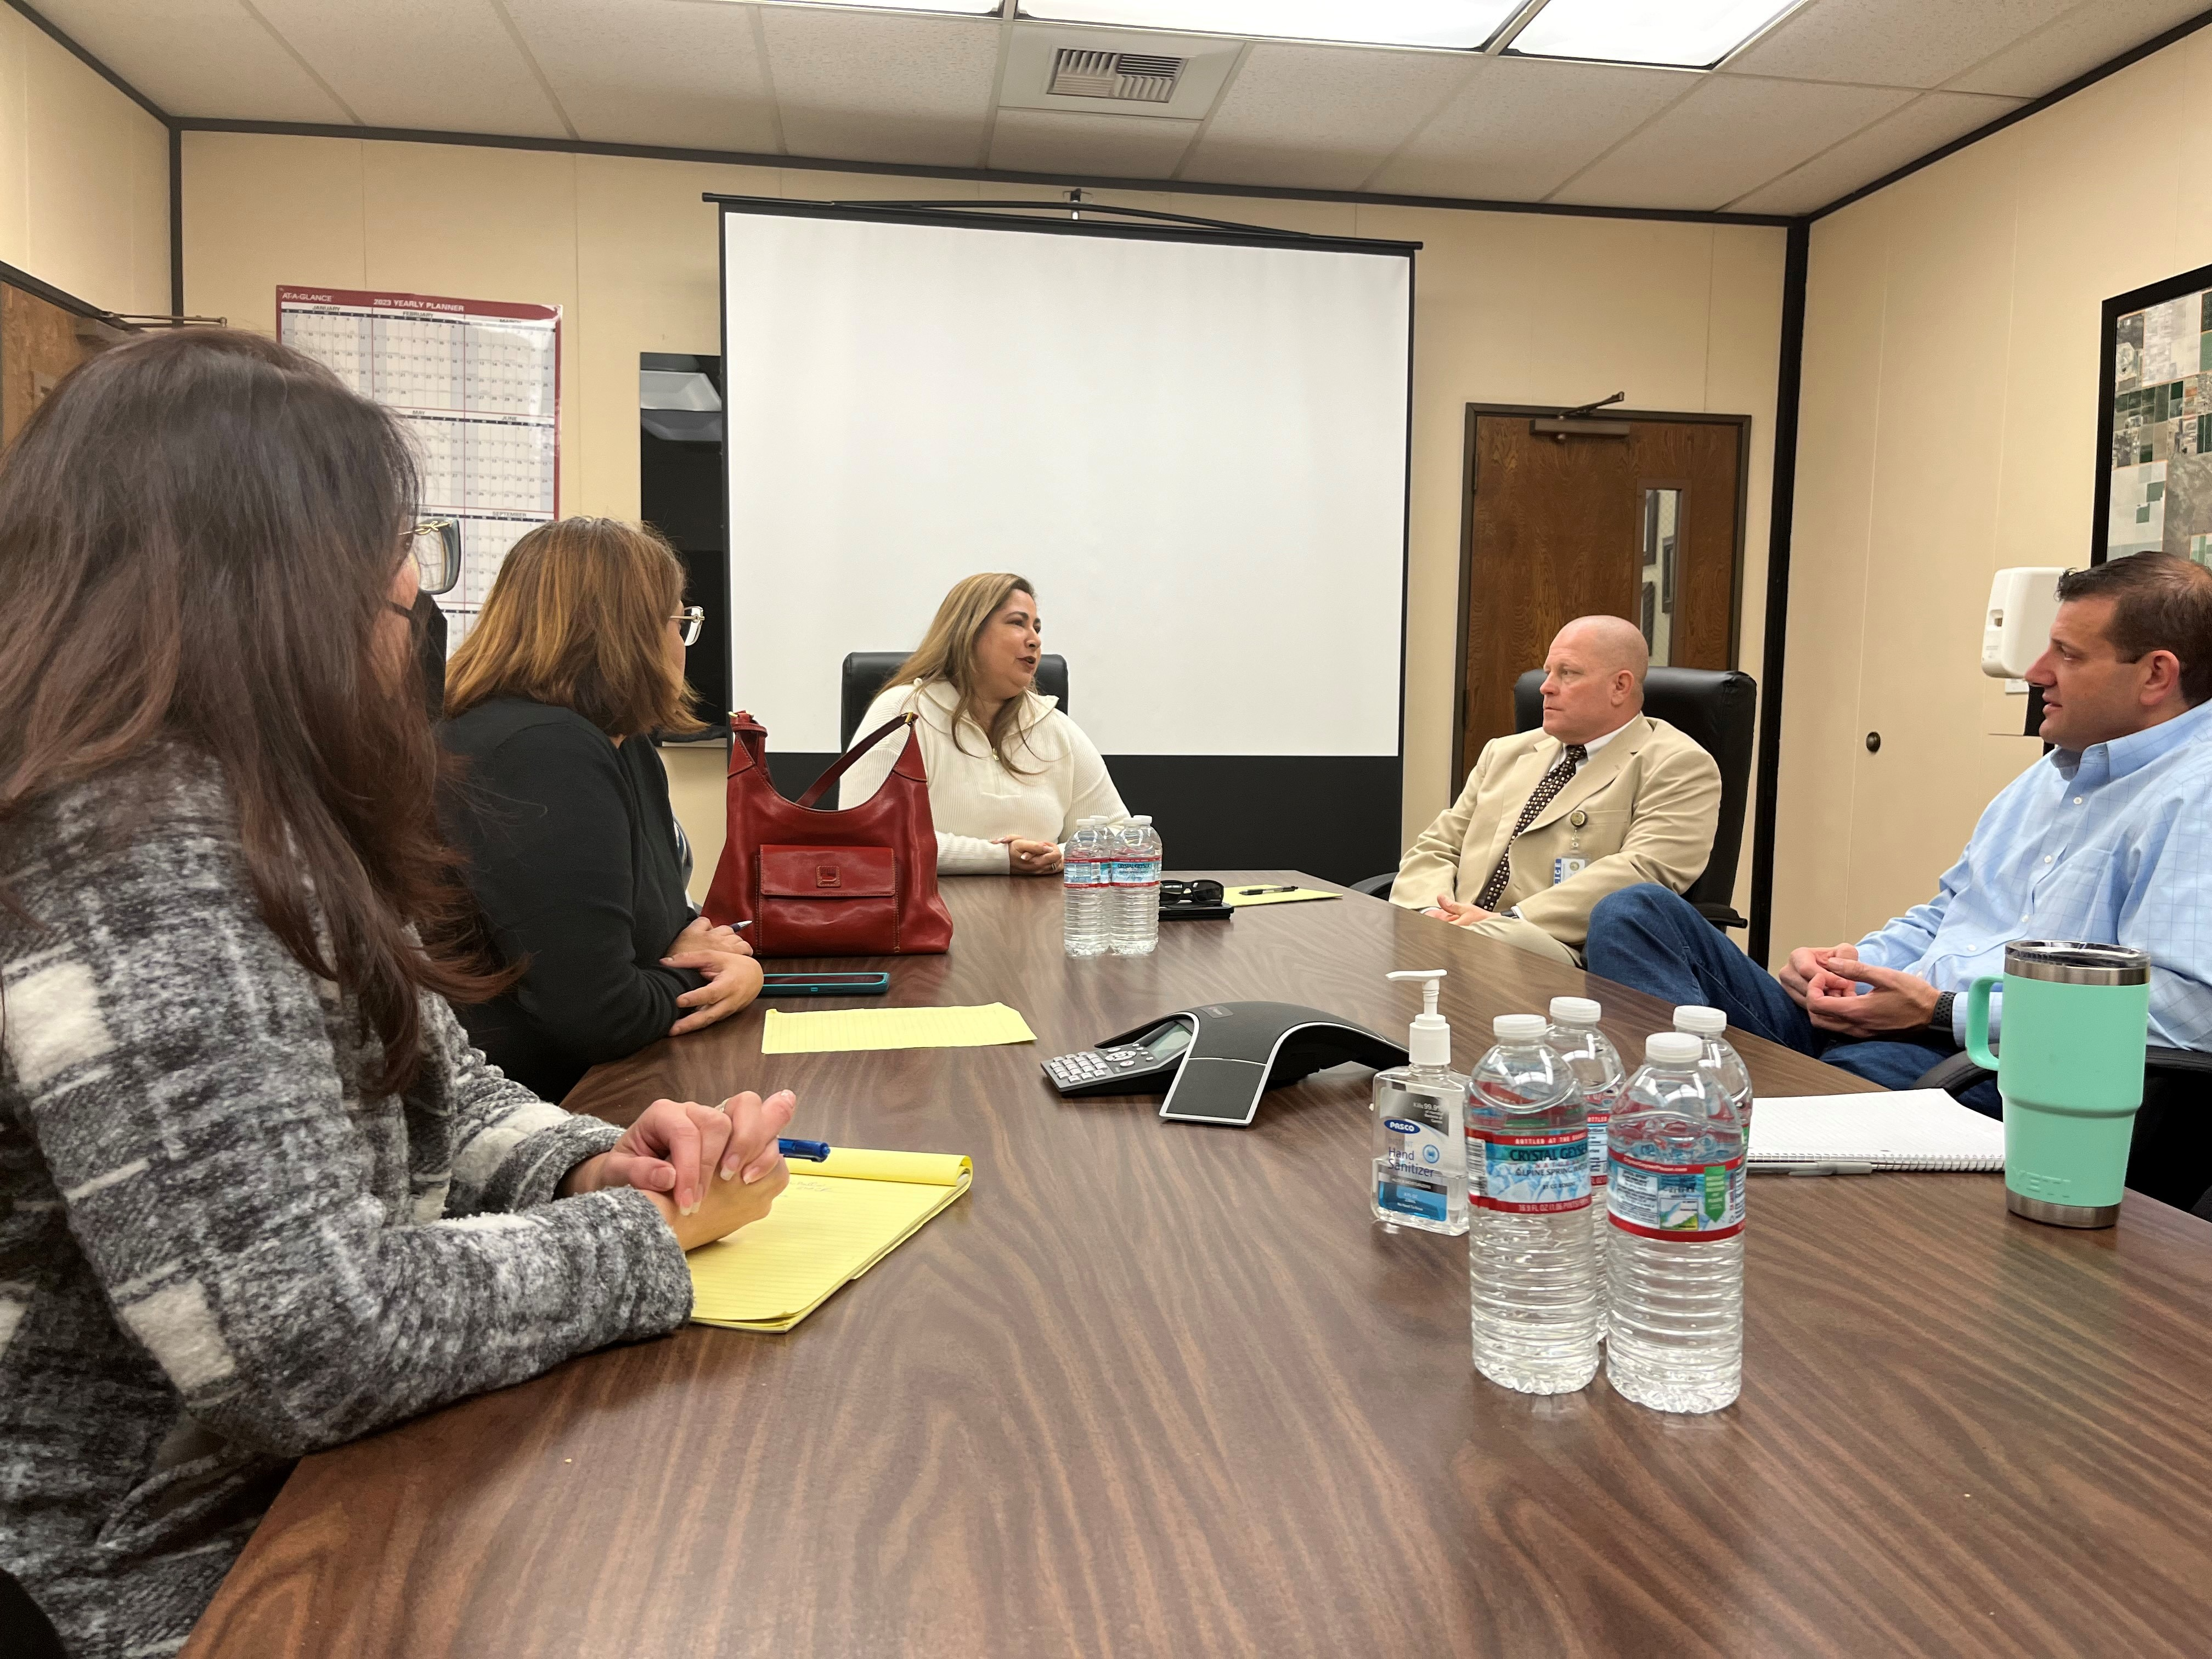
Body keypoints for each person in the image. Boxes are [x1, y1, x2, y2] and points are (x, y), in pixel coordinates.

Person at [0, 330, 793, 1659]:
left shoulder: (253, 819)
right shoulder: (132, 862)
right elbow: (313, 1341)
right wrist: (646, 1241)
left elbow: (445, 1085)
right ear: (265, 597)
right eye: (391, 578)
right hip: (154, 1579)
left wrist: (597, 1164)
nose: (411, 614)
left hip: (288, 1499)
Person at [1585, 554, 2212, 1102]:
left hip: (1985, 1062)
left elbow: (2181, 1018)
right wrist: (1855, 966)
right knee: (1634, 914)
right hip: (1897, 1022)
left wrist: (1940, 1012)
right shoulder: (2051, 774)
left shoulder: (2194, 797)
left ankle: (1725, 1119)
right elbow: (1948, 916)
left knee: (1852, 1079)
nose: (2036, 671)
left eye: (2068, 656)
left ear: (2156, 675)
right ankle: (1699, 1109)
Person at [440, 518, 761, 1101]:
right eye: (679, 622)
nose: (682, 644)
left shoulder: (621, 739)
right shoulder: (541, 750)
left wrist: (689, 949)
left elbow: (666, 927)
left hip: (606, 1081)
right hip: (537, 1107)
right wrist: (722, 974)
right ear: (631, 633)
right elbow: (599, 1014)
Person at [1387, 615, 1722, 966]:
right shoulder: (1505, 753)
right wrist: (1429, 912)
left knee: (1439, 951)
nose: (1546, 687)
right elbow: (1439, 847)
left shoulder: (1678, 764)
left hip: (1559, 943)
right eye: (1548, 672)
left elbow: (1641, 873)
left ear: (1620, 686)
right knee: (1370, 925)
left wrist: (1510, 919)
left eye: (1568, 673)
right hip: (1463, 927)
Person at [842, 573, 1126, 874]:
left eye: (1037, 627)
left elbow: (1123, 836)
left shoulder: (1053, 726)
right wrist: (1000, 858)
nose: (1035, 640)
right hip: (925, 917)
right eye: (1018, 623)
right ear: (970, 631)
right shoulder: (902, 713)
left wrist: (1059, 855)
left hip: (1041, 918)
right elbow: (864, 835)